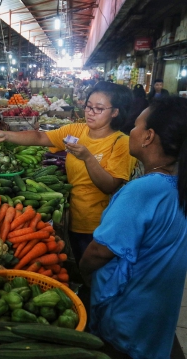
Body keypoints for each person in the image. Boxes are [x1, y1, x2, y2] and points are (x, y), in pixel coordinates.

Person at [79, 96, 187, 359]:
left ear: (149, 137)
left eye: (137, 126)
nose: (131, 132)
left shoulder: (143, 191)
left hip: (129, 311)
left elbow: (99, 251)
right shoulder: (176, 183)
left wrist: (82, 273)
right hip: (156, 306)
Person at [0, 82, 136, 263]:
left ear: (115, 112)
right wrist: (6, 135)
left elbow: (109, 185)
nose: (90, 112)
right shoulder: (76, 130)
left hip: (98, 223)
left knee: (94, 273)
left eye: (99, 109)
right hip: (73, 217)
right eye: (88, 106)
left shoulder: (121, 143)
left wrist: (88, 158)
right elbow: (41, 137)